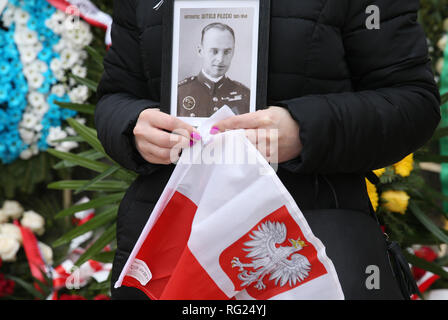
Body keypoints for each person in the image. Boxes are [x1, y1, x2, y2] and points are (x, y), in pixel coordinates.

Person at [95, 0, 441, 300]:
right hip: (168, 241)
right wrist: (133, 126)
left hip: (312, 238)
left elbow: (412, 102)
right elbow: (115, 95)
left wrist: (304, 129)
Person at [177, 22, 250, 117]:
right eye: (214, 51)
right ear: (200, 51)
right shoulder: (180, 92)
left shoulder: (245, 94)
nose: (220, 59)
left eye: (227, 52)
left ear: (233, 52)